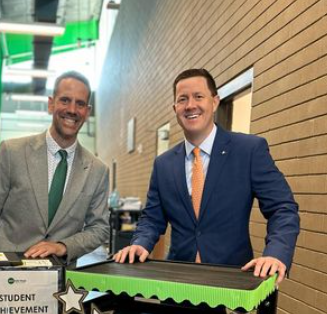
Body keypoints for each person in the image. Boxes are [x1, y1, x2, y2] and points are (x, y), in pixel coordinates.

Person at [114, 68, 300, 284]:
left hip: (231, 284)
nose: (190, 105)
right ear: (175, 108)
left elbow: (283, 209)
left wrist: (275, 253)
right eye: (182, 99)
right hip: (177, 284)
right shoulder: (163, 164)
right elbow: (152, 219)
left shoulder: (249, 150)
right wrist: (140, 243)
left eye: (198, 97)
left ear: (214, 102)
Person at [0, 71, 110, 263]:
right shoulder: (12, 152)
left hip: (59, 279)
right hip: (7, 271)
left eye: (80, 104)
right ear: (51, 104)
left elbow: (100, 228)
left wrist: (62, 246)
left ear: (87, 111)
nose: (72, 109)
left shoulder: (97, 170)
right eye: (65, 100)